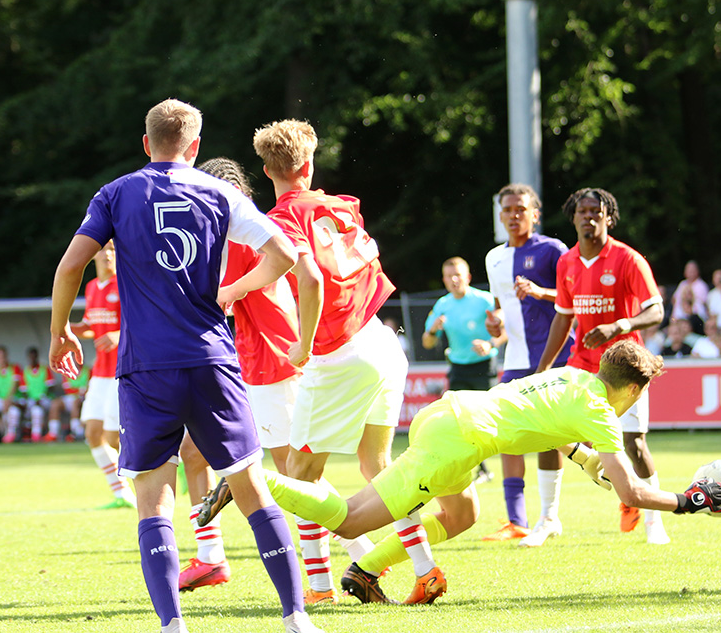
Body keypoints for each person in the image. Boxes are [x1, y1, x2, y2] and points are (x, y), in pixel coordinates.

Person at [48, 99, 320, 633]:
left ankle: (174, 626)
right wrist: (234, 290)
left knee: (152, 498)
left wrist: (59, 332)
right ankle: (295, 617)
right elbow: (285, 255)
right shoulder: (219, 191)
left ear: (145, 144)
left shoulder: (115, 193)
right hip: (212, 359)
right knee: (250, 487)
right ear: (194, 147)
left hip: (146, 366)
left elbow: (71, 265)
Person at [262, 341, 721, 604]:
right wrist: (687, 500)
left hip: (451, 417)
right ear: (632, 389)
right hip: (457, 442)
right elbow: (630, 491)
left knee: (462, 514)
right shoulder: (602, 412)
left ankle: (365, 569)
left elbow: (540, 418)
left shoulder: (573, 376)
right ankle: (256, 480)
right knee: (347, 519)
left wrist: (583, 459)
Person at [186, 157, 381, 603]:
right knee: (290, 471)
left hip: (272, 361)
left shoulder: (235, 235)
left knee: (297, 476)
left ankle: (356, 560)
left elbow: (219, 298)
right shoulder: (253, 228)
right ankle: (346, 564)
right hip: (269, 356)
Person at [253, 119, 411, 606]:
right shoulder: (341, 206)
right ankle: (424, 568)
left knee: (298, 473)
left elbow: (312, 281)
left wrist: (302, 346)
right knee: (377, 468)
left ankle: (320, 587)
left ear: (266, 169)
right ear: (309, 163)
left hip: (339, 354)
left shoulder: (280, 219)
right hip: (382, 339)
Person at [535, 187, 670, 545]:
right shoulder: (567, 262)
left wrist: (620, 325)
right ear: (573, 217)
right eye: (582, 211)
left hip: (626, 369)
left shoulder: (628, 259)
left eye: (597, 211)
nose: (589, 216)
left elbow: (656, 310)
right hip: (582, 366)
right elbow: (562, 319)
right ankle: (548, 518)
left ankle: (654, 523)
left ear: (609, 217)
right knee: (552, 433)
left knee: (634, 444)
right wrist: (543, 368)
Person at [482, 182, 573, 547]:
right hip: (515, 358)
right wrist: (495, 327)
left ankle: (552, 513)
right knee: (508, 434)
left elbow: (574, 297)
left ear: (535, 214)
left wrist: (540, 292)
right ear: (500, 215)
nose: (514, 215)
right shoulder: (493, 258)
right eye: (508, 209)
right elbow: (502, 312)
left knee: (554, 436)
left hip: (555, 356)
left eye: (521, 209)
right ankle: (517, 521)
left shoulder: (553, 250)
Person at [68, 241, 137, 508]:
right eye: (103, 250)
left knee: (112, 437)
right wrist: (69, 328)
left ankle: (165, 461)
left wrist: (119, 334)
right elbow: (90, 325)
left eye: (112, 250)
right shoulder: (91, 287)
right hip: (99, 373)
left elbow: (142, 323)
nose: (107, 255)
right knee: (93, 434)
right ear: (94, 254)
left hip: (123, 372)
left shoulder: (126, 283)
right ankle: (121, 493)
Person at [422, 257, 500, 490]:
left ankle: (487, 467)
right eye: (449, 276)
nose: (454, 280)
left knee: (484, 420)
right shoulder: (442, 305)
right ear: (444, 280)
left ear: (467, 277)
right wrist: (434, 330)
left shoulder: (484, 300)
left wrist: (490, 344)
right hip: (457, 367)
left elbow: (504, 330)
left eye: (458, 275)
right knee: (457, 421)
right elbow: (426, 342)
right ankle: (475, 469)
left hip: (484, 366)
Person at [0, 346, 23, 444]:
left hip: (16, 398)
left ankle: (12, 434)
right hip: (1, 399)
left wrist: (9, 398)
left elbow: (15, 385)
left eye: (3, 356)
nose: (2, 359)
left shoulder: (15, 367)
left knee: (13, 410)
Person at [19, 347, 55, 442]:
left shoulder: (44, 369)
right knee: (18, 409)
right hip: (31, 399)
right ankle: (22, 433)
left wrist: (41, 397)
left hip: (44, 398)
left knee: (37, 410)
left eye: (34, 356)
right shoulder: (25, 371)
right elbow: (23, 391)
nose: (32, 358)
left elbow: (51, 386)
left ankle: (36, 435)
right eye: (30, 356)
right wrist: (29, 400)